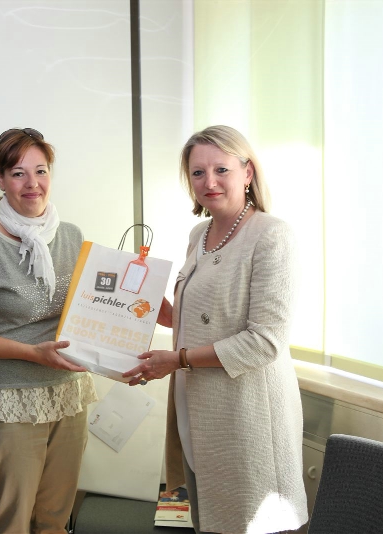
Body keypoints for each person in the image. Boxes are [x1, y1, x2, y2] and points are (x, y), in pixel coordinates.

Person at [124, 125, 308, 533]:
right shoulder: (199, 234)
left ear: (248, 172)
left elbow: (265, 341)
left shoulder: (272, 235)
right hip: (198, 411)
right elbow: (210, 317)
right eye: (197, 173)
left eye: (221, 169)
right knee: (209, 521)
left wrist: (176, 360)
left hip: (246, 415)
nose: (209, 182)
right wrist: (161, 311)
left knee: (251, 523)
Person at [0, 127, 97, 534]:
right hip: (9, 398)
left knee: (54, 521)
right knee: (12, 523)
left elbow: (90, 311)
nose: (32, 183)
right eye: (18, 173)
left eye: (40, 171)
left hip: (68, 393)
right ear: (0, 179)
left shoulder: (72, 236)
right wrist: (31, 353)